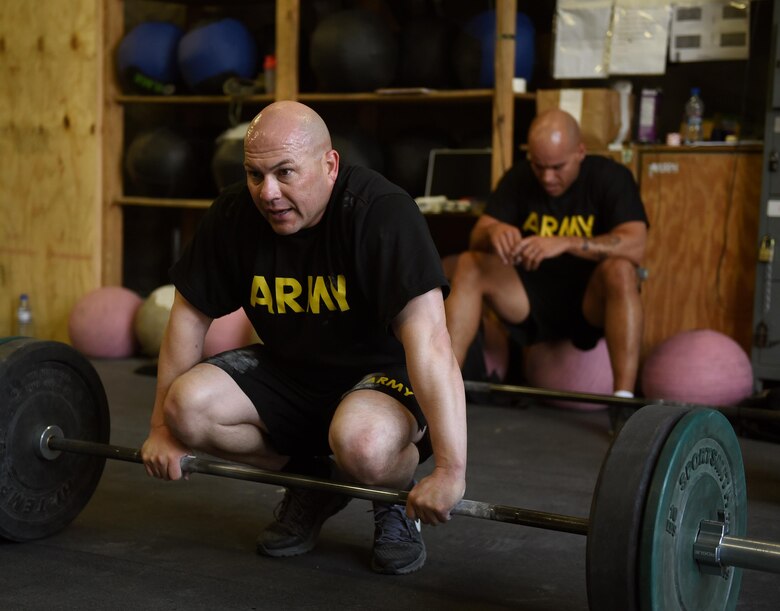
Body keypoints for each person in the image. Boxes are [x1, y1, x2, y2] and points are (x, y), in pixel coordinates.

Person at [140, 101, 467, 576]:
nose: (267, 192)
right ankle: (310, 481)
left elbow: (433, 342)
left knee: (363, 444)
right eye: (255, 174)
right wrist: (162, 431)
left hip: (382, 377)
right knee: (185, 407)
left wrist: (451, 471)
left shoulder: (380, 213)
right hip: (292, 372)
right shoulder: (234, 214)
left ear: (329, 165)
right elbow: (188, 318)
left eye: (285, 172)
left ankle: (391, 501)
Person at [445, 109, 648, 399]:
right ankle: (443, 389)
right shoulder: (520, 177)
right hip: (531, 298)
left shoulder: (610, 177)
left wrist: (565, 242)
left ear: (580, 152)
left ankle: (623, 402)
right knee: (469, 264)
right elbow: (476, 236)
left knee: (622, 270)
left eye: (557, 167)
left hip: (590, 302)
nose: (547, 177)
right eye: (539, 166)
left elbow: (636, 245)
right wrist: (494, 233)